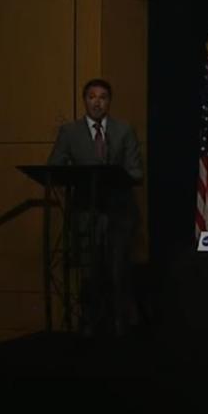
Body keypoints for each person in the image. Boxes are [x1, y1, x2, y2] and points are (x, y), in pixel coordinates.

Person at [47, 78, 143, 335]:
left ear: (109, 102)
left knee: (117, 269)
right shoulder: (69, 132)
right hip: (85, 212)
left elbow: (135, 171)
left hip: (119, 212)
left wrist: (114, 174)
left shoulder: (124, 131)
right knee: (89, 272)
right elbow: (55, 166)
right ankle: (90, 323)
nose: (97, 102)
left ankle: (121, 324)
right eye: (92, 97)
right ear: (84, 100)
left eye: (102, 97)